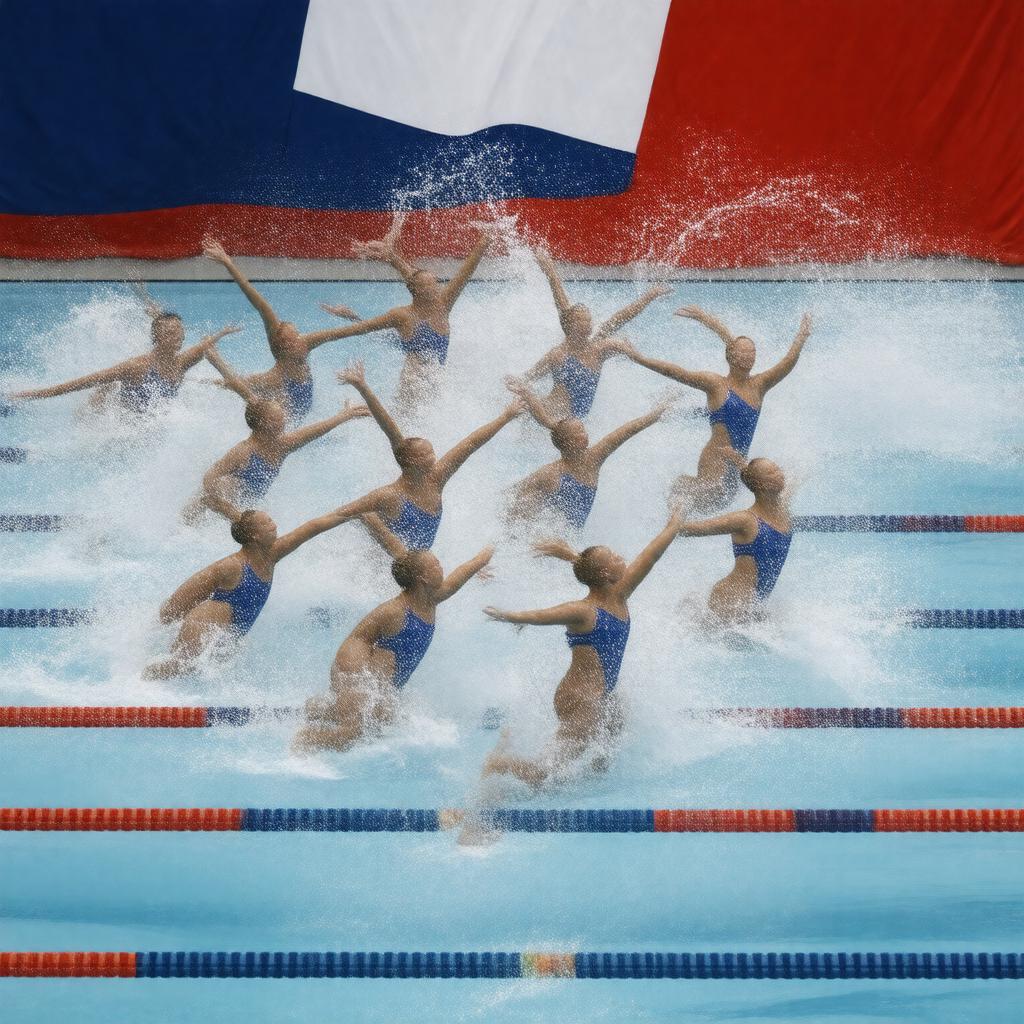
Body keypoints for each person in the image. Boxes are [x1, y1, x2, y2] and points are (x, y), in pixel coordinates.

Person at [477, 511, 684, 790]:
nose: (622, 557)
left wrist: (673, 525)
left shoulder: (620, 593)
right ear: (606, 573)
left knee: (610, 742)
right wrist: (514, 617)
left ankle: (595, 787)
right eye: (614, 557)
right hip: (580, 698)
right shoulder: (584, 611)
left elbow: (651, 554)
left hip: (602, 693)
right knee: (543, 774)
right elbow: (545, 614)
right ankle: (498, 763)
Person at [294, 516, 495, 752]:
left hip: (381, 670)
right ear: (422, 578)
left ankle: (319, 709)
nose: (442, 567)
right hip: (354, 662)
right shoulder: (394, 611)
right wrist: (356, 683)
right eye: (435, 565)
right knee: (354, 732)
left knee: (382, 720)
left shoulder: (433, 597)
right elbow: (358, 642)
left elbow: (464, 570)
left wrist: (485, 556)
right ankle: (306, 739)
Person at [620, 306, 812, 511]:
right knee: (702, 501)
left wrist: (801, 338)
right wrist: (639, 358)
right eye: (743, 352)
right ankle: (663, 506)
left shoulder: (760, 385)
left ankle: (675, 507)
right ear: (730, 356)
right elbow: (677, 372)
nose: (749, 356)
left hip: (738, 465)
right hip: (716, 461)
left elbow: (787, 363)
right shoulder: (715, 384)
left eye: (753, 352)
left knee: (780, 484)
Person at [143, 506, 358, 680]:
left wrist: (357, 510)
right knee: (180, 667)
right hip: (203, 624)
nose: (274, 525)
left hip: (225, 634)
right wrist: (156, 627)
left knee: (195, 672)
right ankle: (137, 682)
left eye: (271, 519)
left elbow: (313, 527)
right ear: (255, 535)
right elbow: (181, 599)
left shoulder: (272, 554)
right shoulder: (230, 566)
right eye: (267, 523)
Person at [331, 361, 523, 548]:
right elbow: (389, 427)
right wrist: (363, 387)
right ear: (412, 460)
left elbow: (471, 443)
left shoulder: (437, 477)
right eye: (428, 453)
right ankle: (366, 518)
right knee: (369, 516)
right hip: (392, 549)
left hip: (415, 558)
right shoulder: (392, 494)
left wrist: (505, 417)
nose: (435, 456)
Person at [318, 213, 495, 408]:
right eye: (432, 287)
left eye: (436, 284)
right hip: (413, 377)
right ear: (418, 293)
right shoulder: (401, 315)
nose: (438, 289)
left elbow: (465, 272)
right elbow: (362, 329)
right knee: (404, 415)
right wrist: (315, 339)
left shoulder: (443, 305)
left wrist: (487, 237)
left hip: (432, 370)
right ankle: (357, 411)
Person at [184, 347, 369, 522]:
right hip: (210, 506)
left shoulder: (282, 445)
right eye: (279, 418)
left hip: (242, 507)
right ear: (265, 425)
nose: (285, 420)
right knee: (226, 488)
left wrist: (344, 416)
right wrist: (229, 512)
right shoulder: (244, 452)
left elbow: (314, 432)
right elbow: (209, 479)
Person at [201, 238, 363, 421]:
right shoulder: (276, 378)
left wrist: (354, 318)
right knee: (234, 385)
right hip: (282, 394)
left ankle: (206, 376)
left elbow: (348, 332)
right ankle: (198, 384)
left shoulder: (306, 342)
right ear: (282, 347)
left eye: (298, 335)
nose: (300, 341)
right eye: (293, 340)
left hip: (297, 396)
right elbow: (259, 303)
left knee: (239, 384)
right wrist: (228, 263)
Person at [508, 248, 670, 422]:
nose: (587, 325)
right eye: (581, 322)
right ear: (569, 326)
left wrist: (649, 296)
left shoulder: (597, 348)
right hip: (551, 415)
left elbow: (621, 317)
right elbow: (528, 378)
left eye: (588, 321)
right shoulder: (557, 355)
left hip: (573, 419)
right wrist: (550, 271)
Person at [11, 291, 239, 412]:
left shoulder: (183, 361)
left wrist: (221, 334)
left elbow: (206, 343)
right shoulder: (136, 367)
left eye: (180, 333)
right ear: (156, 339)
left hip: (149, 424)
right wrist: (34, 394)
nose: (178, 338)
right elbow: (82, 382)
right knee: (103, 389)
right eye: (170, 334)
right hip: (120, 421)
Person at [507, 381, 671, 529]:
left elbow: (627, 430)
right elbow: (518, 507)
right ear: (568, 443)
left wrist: (656, 414)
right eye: (579, 432)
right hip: (551, 534)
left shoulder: (594, 458)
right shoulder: (550, 474)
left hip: (571, 537)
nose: (585, 434)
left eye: (583, 429)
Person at [676, 455, 793, 622]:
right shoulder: (746, 520)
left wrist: (741, 464)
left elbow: (795, 474)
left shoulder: (782, 509)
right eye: (772, 472)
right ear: (761, 484)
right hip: (730, 602)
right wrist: (677, 509)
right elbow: (690, 529)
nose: (780, 473)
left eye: (777, 468)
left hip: (753, 606)